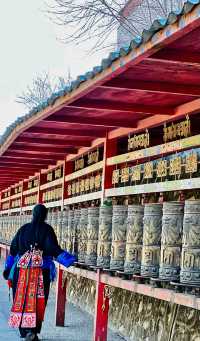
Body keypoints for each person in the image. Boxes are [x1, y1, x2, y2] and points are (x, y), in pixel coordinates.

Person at [2, 204, 76, 341]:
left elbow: (13, 249)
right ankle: (33, 331)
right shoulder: (47, 230)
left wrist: (8, 269)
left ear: (33, 214)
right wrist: (70, 259)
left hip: (21, 271)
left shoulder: (23, 229)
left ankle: (24, 331)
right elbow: (53, 249)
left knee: (21, 299)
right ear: (45, 215)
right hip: (40, 272)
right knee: (38, 300)